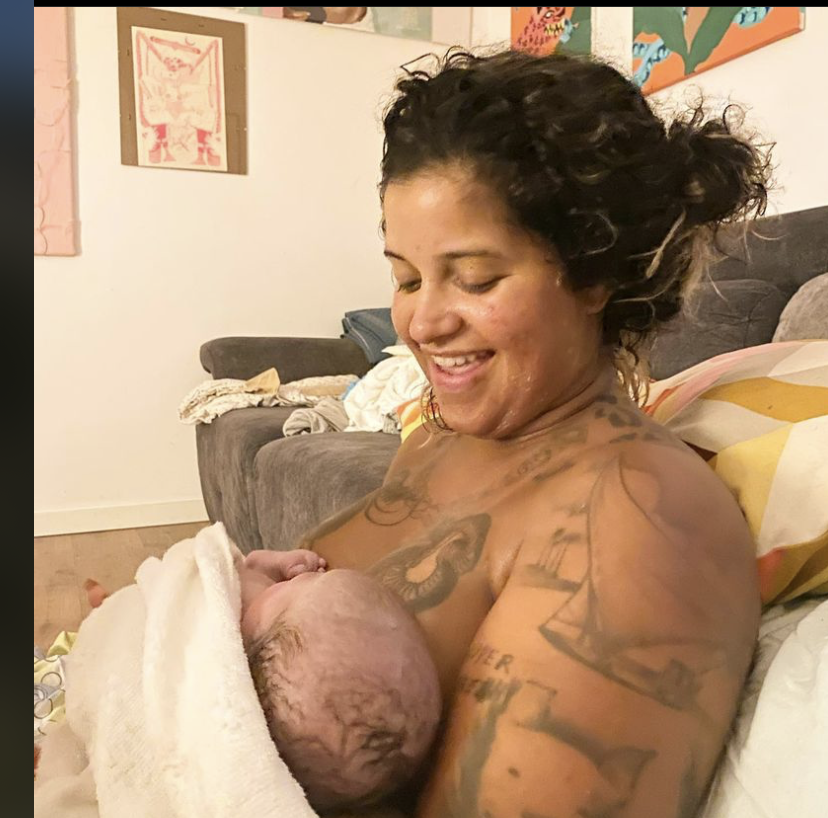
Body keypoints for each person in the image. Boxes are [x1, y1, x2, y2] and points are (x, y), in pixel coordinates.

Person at [249, 48, 770, 817]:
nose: (423, 322)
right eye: (406, 277)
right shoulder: (437, 440)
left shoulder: (636, 520)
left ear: (595, 275)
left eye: (475, 279)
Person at [72, 550, 442, 814]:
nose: (300, 575)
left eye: (298, 586)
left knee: (124, 638)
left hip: (123, 654)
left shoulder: (224, 639)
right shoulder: (269, 646)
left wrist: (258, 566)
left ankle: (108, 608)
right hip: (139, 635)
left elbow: (222, 570)